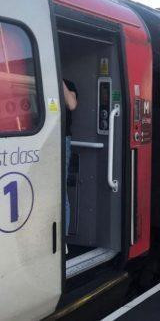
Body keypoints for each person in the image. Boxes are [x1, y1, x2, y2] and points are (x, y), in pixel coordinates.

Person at [62, 79, 77, 238]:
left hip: (61, 139)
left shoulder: (68, 84)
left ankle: (63, 240)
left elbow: (71, 104)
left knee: (60, 190)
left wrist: (60, 81)